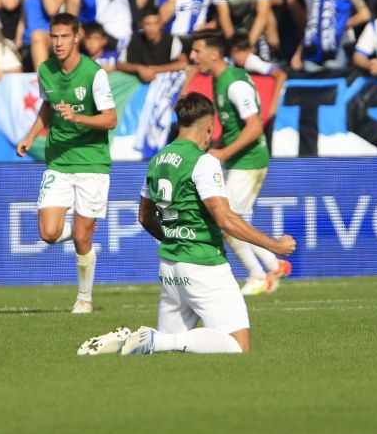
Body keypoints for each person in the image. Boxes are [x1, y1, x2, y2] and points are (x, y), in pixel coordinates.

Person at [76, 92, 296, 356]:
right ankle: (153, 340)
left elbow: (144, 217)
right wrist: (274, 245)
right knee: (237, 345)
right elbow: (224, 217)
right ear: (210, 127)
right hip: (204, 266)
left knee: (172, 351)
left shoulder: (157, 161)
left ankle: (129, 341)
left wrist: (174, 237)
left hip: (170, 268)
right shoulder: (203, 161)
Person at [16, 13, 118, 314]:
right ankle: (83, 228)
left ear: (77, 37)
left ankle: (84, 300)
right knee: (48, 233)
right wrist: (30, 135)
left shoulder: (94, 74)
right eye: (54, 36)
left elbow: (110, 118)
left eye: (64, 36)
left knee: (82, 239)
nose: (58, 42)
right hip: (59, 161)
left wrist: (79, 118)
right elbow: (48, 106)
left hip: (92, 163)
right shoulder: (46, 70)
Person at [189, 31, 293, 295]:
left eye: (197, 51)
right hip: (239, 159)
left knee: (225, 220)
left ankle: (259, 275)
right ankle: (274, 265)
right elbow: (234, 126)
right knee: (232, 219)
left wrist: (223, 153)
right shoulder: (219, 79)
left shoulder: (234, 83)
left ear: (213, 54)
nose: (193, 56)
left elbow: (255, 127)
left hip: (250, 161)